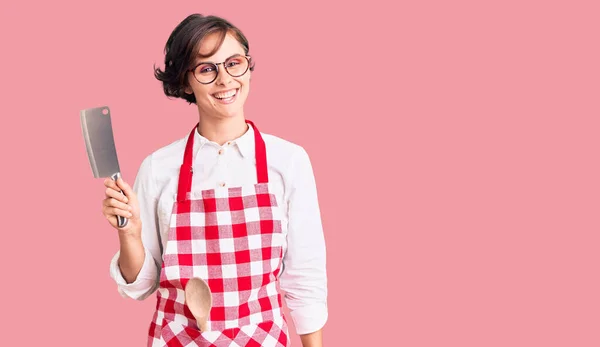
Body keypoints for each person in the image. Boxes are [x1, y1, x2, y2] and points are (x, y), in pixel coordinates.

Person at [101, 13, 328, 347]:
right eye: (207, 69)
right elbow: (142, 286)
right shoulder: (158, 168)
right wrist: (130, 234)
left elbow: (305, 278)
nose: (225, 79)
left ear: (248, 67)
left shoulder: (289, 162)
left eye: (234, 63)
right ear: (184, 82)